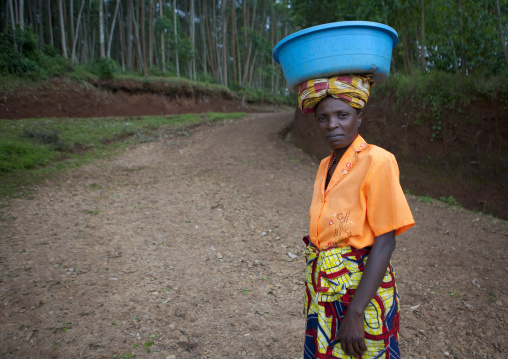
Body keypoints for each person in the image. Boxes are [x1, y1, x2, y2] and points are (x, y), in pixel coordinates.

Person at [299, 75, 415, 358]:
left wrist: (355, 312)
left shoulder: (378, 160)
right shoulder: (326, 164)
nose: (332, 125)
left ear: (359, 118)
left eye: (342, 115)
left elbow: (385, 241)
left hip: (360, 293)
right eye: (323, 118)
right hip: (324, 289)